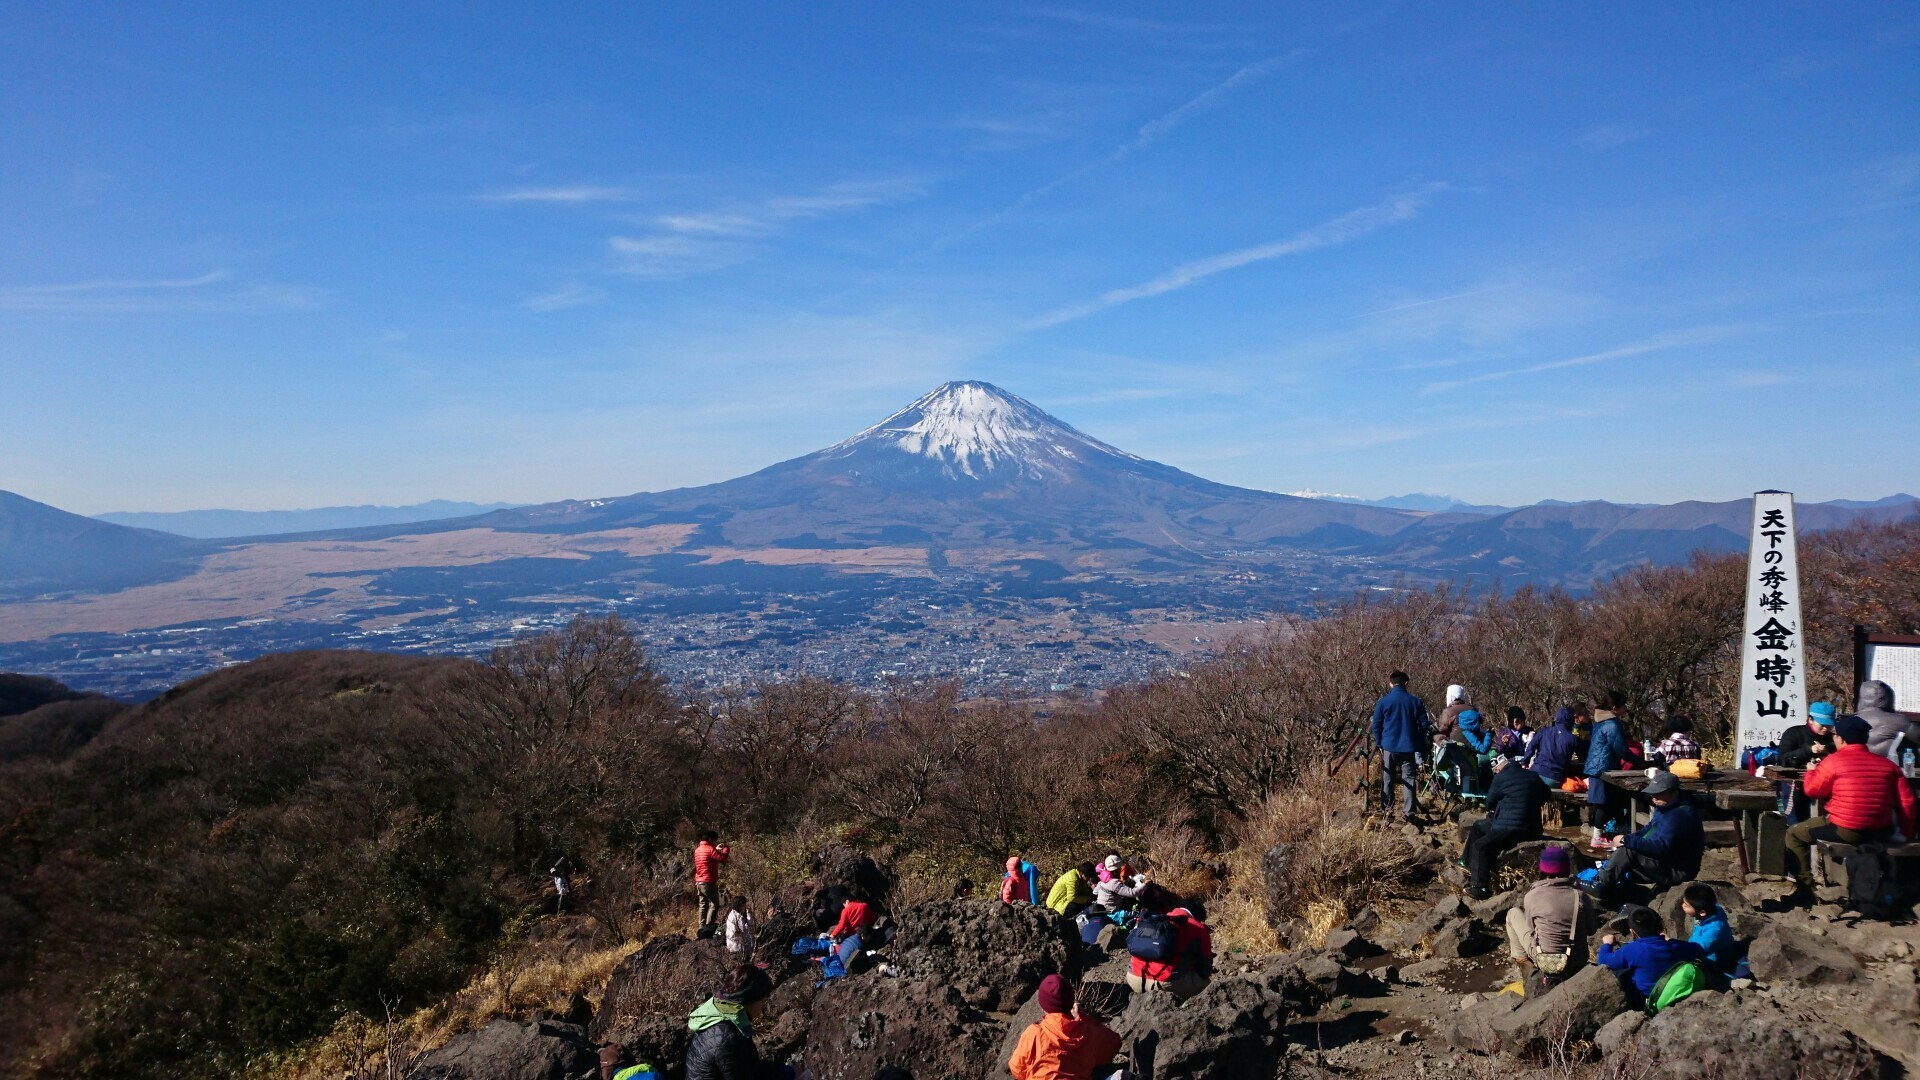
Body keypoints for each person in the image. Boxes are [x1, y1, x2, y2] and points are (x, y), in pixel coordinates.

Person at [1785, 714, 1920, 890]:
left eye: (1835, 735)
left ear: (1840, 738)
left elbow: (1813, 791)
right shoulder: (1888, 765)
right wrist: (1905, 834)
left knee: (1794, 834)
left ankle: (1805, 889)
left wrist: (1811, 771)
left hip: (1846, 829)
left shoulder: (1833, 761)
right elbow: (1907, 802)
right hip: (1881, 830)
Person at [1588, 771, 1704, 903]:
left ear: (1674, 792)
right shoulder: (1666, 806)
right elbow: (1650, 828)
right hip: (1668, 861)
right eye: (1653, 793)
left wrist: (1627, 840)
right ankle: (1616, 889)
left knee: (1628, 850)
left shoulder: (1680, 815)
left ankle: (1603, 884)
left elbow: (1661, 846)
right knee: (1625, 851)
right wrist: (1628, 838)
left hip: (1678, 869)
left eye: (1659, 793)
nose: (1654, 797)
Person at [1504, 846, 1596, 988]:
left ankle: (1524, 963)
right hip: (1577, 959)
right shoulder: (1580, 896)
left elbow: (1531, 928)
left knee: (1513, 914)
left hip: (1547, 961)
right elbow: (1591, 930)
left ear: (1543, 870)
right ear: (1567, 869)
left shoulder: (1532, 896)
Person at [684, 964, 793, 1080]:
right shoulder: (727, 1036)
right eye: (763, 1000)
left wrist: (783, 1071)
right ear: (750, 999)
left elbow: (749, 1069)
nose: (763, 1007)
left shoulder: (719, 1015)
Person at [1463, 754, 1550, 899]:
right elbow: (1547, 795)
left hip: (1509, 828)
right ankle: (1467, 862)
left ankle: (1480, 888)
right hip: (1533, 828)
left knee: (1480, 846)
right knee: (1479, 826)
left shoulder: (1500, 778)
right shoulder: (1533, 775)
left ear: (1499, 769)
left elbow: (1489, 802)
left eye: (1496, 770)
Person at [1006, 973, 1122, 1080]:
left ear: (1043, 1006)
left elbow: (1017, 1069)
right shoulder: (1087, 1032)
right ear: (1071, 1001)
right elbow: (1114, 1044)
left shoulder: (1034, 1033)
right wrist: (1085, 1017)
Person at [1596, 906, 1706, 1002]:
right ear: (1661, 927)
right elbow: (1699, 950)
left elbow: (1603, 961)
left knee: (1621, 972)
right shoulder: (1676, 946)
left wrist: (1607, 944)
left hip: (1648, 998)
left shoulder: (1632, 950)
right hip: (1674, 990)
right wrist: (1670, 941)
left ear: (1633, 932)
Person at [1371, 671, 1431, 822]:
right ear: (1406, 683)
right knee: (1409, 778)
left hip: (1388, 745)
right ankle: (1409, 812)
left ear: (1390, 683)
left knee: (1387, 777)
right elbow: (1424, 724)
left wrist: (1379, 742)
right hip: (1408, 746)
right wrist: (1418, 739)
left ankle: (1387, 809)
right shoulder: (1415, 701)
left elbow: (1376, 725)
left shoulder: (1383, 701)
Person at [1126, 902, 1213, 1000]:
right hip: (1165, 985)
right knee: (1209, 987)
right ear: (1198, 916)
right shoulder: (1198, 927)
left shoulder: (1155, 919)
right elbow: (1205, 969)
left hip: (1134, 978)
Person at [1584, 691, 1634, 848]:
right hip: (1603, 769)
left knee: (1612, 802)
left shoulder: (1600, 723)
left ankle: (1620, 834)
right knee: (1604, 804)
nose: (1626, 708)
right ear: (1614, 708)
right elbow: (1621, 749)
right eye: (1623, 705)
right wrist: (1640, 762)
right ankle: (1598, 838)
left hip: (1598, 767)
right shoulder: (1612, 724)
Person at [1680, 883, 1737, 977]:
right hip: (1704, 947)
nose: (1683, 906)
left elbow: (1696, 949)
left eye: (1686, 905)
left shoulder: (1713, 931)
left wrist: (1671, 946)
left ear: (1702, 912)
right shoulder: (1713, 909)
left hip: (1714, 960)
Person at [1857, 680, 1920, 762]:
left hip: (1855, 767)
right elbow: (1918, 736)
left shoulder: (1849, 720)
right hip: (1886, 768)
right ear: (1889, 698)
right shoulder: (1899, 720)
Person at [1525, 706, 1580, 786]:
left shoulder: (1544, 731)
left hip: (1537, 772)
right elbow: (1582, 755)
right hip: (1555, 777)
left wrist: (1525, 761)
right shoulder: (1573, 739)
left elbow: (1531, 745)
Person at [1777, 702, 1837, 769]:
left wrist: (1828, 754)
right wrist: (1810, 750)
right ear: (1810, 720)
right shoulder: (1793, 733)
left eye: (1829, 725)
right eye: (1822, 724)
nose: (1825, 728)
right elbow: (1782, 759)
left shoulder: (1834, 739)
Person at [694, 831, 731, 934]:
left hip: (699, 881)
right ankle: (708, 927)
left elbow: (708, 858)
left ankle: (701, 928)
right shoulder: (710, 849)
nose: (715, 842)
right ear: (710, 839)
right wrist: (725, 848)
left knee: (702, 905)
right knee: (714, 904)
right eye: (714, 840)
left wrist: (716, 849)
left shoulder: (698, 850)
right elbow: (722, 858)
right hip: (708, 882)